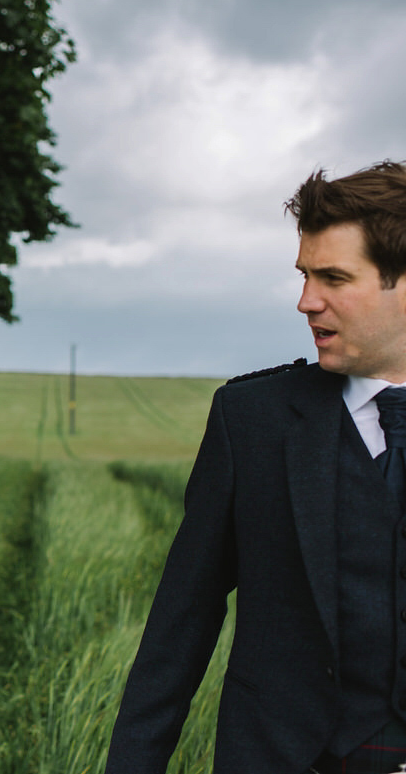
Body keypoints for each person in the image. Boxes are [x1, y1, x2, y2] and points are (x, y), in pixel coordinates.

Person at [104, 160, 406, 774]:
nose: (305, 301)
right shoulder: (252, 420)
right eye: (303, 275)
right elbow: (180, 625)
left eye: (333, 278)